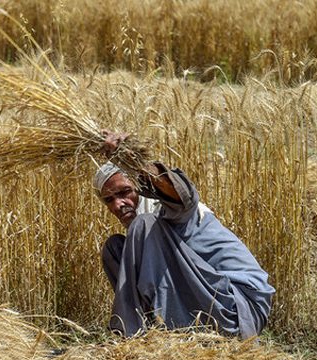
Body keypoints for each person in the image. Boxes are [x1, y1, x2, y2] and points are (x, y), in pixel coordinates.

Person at [94, 131, 275, 338]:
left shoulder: (173, 209)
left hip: (237, 306)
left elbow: (182, 192)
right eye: (109, 199)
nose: (118, 204)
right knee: (115, 248)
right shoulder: (146, 235)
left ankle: (129, 334)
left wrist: (134, 162)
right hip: (204, 302)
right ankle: (150, 334)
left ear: (141, 186)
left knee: (142, 225)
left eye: (125, 192)